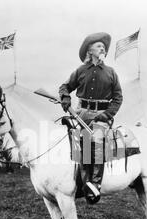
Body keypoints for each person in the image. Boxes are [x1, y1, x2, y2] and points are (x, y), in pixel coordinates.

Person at [59, 32, 123, 204]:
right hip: (81, 114)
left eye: (104, 46)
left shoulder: (111, 72)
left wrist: (106, 115)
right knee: (80, 145)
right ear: (89, 50)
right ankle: (84, 182)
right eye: (98, 45)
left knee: (97, 142)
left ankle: (95, 185)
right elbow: (64, 86)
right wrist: (65, 97)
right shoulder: (80, 71)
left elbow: (118, 98)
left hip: (102, 116)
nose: (102, 47)